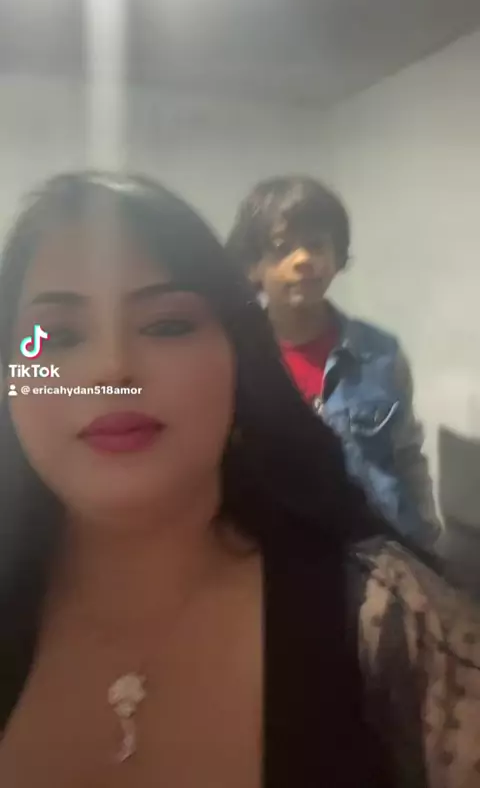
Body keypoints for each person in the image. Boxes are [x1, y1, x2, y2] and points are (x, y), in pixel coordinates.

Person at [0, 172, 478, 788]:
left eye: (167, 325)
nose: (111, 369)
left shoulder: (391, 622)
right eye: (57, 336)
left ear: (239, 359)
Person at [227, 175, 441, 548]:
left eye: (316, 245)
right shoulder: (232, 356)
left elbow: (406, 455)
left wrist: (426, 543)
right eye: (282, 248)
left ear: (337, 257)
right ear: (253, 266)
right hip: (275, 553)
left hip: (379, 551)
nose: (303, 260)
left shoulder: (380, 353)